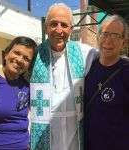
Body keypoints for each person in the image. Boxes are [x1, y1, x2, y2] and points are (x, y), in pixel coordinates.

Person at [29, 3, 95, 150]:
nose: (59, 30)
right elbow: (12, 69)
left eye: (64, 25)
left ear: (71, 29)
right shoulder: (34, 55)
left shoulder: (84, 52)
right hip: (45, 132)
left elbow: (110, 59)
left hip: (75, 132)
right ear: (46, 27)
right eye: (53, 24)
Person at [0, 36, 37, 150]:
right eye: (17, 53)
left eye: (26, 58)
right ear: (5, 54)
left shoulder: (27, 86)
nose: (20, 60)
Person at [84, 15, 129, 150]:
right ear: (98, 37)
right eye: (105, 34)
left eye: (115, 36)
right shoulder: (87, 68)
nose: (108, 40)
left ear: (124, 42)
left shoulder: (126, 72)